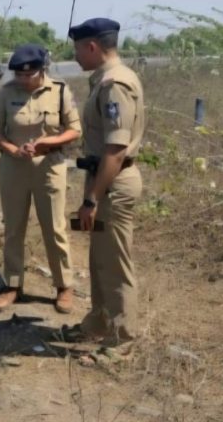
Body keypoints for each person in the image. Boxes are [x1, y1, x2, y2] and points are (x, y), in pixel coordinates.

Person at [66, 18, 145, 348]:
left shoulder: (115, 84)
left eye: (77, 49)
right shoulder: (104, 80)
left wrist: (92, 199)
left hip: (113, 183)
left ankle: (123, 339)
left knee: (114, 263)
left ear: (92, 46)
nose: (75, 56)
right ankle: (98, 324)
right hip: (102, 179)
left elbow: (116, 149)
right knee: (100, 260)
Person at [0, 43, 82, 314]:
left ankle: (64, 286)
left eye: (29, 75)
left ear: (42, 70)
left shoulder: (60, 91)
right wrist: (12, 149)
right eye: (19, 74)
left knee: (54, 228)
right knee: (13, 228)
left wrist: (46, 143)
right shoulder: (7, 93)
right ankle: (12, 285)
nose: (24, 79)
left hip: (49, 167)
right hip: (13, 167)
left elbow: (74, 130)